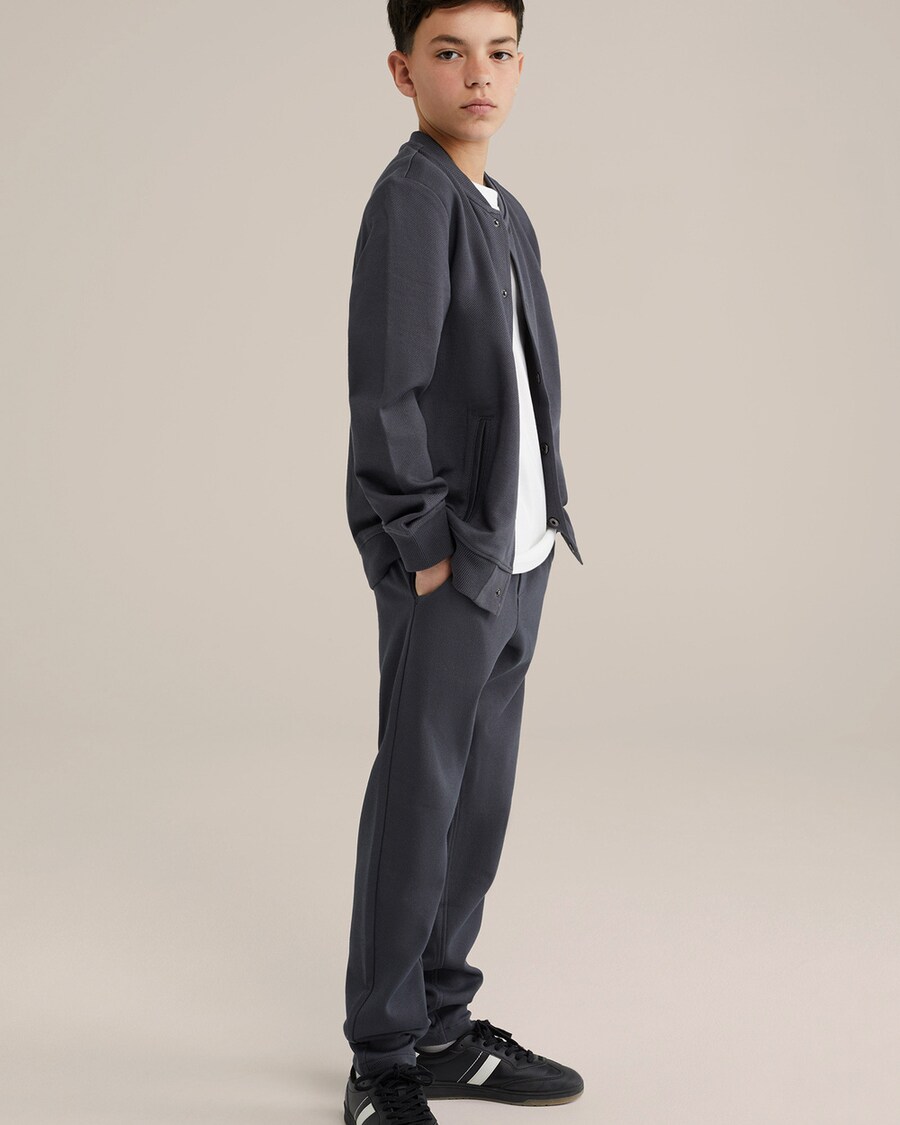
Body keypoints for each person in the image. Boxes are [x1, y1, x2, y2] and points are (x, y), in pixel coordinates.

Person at [341, 2, 584, 1122]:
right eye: (449, 53)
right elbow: (386, 389)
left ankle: (443, 1025)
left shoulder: (502, 209)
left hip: (520, 558)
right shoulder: (412, 198)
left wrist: (541, 523)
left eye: (498, 52)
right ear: (405, 72)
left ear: (521, 65)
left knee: (476, 806)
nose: (477, 74)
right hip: (455, 565)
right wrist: (423, 547)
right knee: (419, 803)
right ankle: (383, 1058)